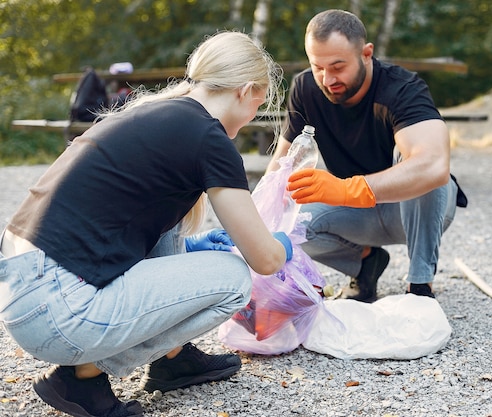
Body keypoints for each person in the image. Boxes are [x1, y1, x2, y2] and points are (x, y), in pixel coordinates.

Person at [0, 31, 293, 417]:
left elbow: (126, 221)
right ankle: (82, 378)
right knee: (234, 279)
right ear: (247, 90)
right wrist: (286, 242)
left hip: (21, 291)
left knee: (169, 218)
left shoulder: (152, 114)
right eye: (260, 100)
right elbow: (265, 261)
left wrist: (194, 246)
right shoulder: (209, 137)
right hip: (58, 312)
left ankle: (171, 357)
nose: (257, 109)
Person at [267, 9, 467, 303]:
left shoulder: (402, 88)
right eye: (318, 67)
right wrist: (260, 220)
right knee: (287, 229)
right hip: (355, 211)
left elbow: (434, 166)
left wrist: (348, 188)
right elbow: (282, 164)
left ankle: (420, 285)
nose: (327, 78)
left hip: (414, 207)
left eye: (338, 66)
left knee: (417, 162)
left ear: (366, 53)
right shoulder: (305, 88)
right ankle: (365, 262)